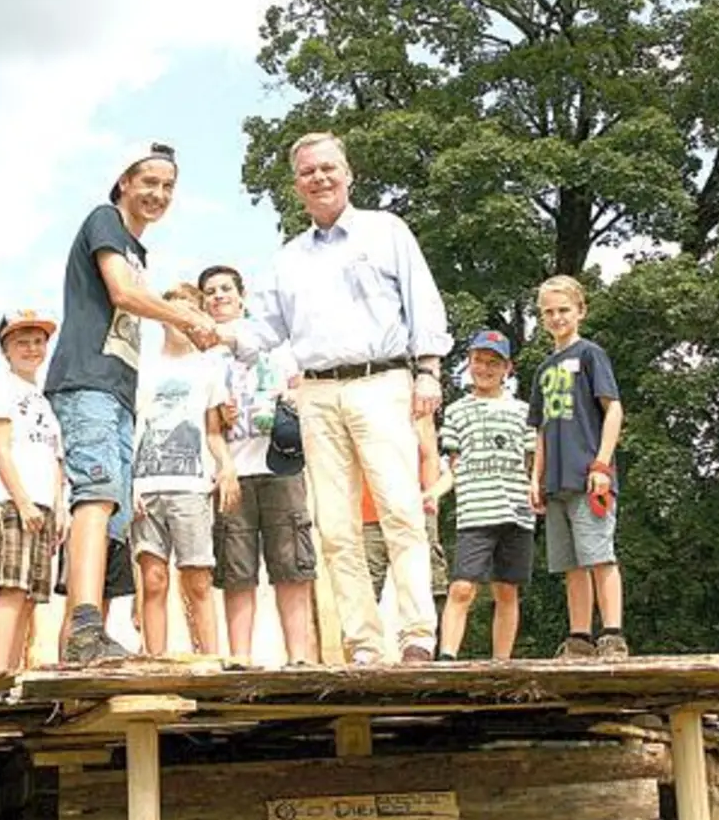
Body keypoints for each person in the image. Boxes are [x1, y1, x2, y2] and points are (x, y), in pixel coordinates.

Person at [215, 131, 453, 665]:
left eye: (328, 168)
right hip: (317, 392)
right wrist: (214, 331)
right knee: (336, 527)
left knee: (399, 509)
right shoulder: (288, 258)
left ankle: (416, 635)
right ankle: (364, 643)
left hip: (382, 380)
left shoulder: (386, 230)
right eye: (307, 172)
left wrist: (429, 371)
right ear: (296, 185)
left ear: (348, 173)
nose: (319, 178)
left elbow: (424, 302)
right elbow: (261, 333)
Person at [43, 142, 219, 663]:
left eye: (167, 187)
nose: (158, 194)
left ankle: (82, 641)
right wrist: (186, 317)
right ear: (123, 182)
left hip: (119, 390)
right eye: (149, 182)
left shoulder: (139, 251)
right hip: (88, 380)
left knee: (112, 514)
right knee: (95, 498)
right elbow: (121, 293)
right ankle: (83, 627)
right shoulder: (105, 222)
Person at [200, 265, 317, 665]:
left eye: (225, 289)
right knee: (236, 569)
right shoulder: (202, 354)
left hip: (280, 463)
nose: (218, 296)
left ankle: (299, 658)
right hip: (230, 469)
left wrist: (286, 402)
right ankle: (241, 658)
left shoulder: (274, 344)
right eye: (210, 292)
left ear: (241, 295)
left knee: (292, 565)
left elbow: (304, 390)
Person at [129, 284, 239, 656]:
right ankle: (155, 660)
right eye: (172, 311)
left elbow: (212, 430)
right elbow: (131, 426)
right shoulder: (141, 367)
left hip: (191, 484)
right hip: (146, 484)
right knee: (153, 579)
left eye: (188, 312)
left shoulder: (207, 367)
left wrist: (226, 466)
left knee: (197, 579)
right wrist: (129, 483)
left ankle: (209, 658)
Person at [526, 275, 628, 659]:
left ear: (581, 311)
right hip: (555, 481)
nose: (556, 318)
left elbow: (613, 408)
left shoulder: (590, 355)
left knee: (599, 555)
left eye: (563, 310)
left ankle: (613, 634)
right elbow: (539, 429)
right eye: (548, 312)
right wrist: (534, 478)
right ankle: (579, 637)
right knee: (571, 564)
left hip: (590, 476)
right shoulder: (542, 370)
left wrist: (602, 463)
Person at [436, 330, 537, 661]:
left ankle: (501, 662)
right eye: (479, 360)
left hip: (516, 510)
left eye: (493, 362)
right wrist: (433, 493)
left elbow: (532, 460)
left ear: (507, 367)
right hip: (475, 511)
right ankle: (447, 657)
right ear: (469, 363)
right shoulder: (455, 411)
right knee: (462, 587)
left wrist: (536, 491)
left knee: (507, 589)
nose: (485, 368)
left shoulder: (523, 411)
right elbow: (452, 465)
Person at [0, 310, 67, 674]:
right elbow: (0, 449)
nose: (31, 348)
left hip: (45, 504)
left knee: (32, 596)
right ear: (6, 349)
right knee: (11, 589)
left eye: (37, 341)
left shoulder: (45, 400)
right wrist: (23, 501)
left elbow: (56, 458)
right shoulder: (2, 389)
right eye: (22, 342)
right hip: (12, 501)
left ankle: (13, 672)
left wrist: (59, 508)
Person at [360, 413, 452, 649]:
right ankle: (364, 654)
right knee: (366, 587)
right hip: (368, 511)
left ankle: (435, 651)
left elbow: (435, 459)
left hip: (415, 509)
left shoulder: (417, 409)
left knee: (432, 584)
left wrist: (431, 497)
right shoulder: (353, 403)